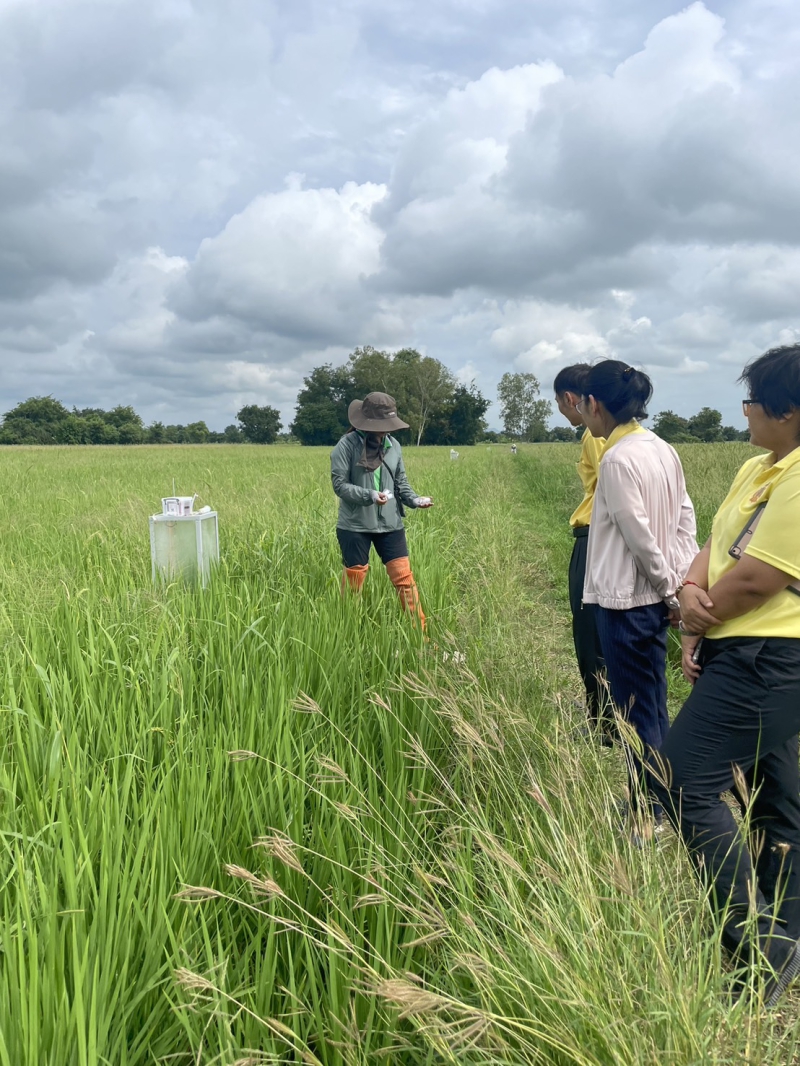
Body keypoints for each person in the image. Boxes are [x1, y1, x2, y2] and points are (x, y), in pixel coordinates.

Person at [653, 344, 800, 1004]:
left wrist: (695, 622)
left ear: (787, 411)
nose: (743, 412)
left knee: (684, 782)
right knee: (782, 797)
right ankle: (784, 939)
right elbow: (718, 543)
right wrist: (688, 586)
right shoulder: (761, 467)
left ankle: (759, 948)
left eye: (750, 402)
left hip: (772, 657)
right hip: (740, 647)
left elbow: (762, 576)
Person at [580, 360, 697, 839]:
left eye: (584, 404)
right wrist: (682, 584)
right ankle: (659, 797)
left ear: (594, 403)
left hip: (626, 600)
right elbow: (684, 519)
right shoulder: (661, 448)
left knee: (634, 711)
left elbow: (638, 534)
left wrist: (670, 588)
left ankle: (648, 817)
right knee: (652, 702)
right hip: (655, 595)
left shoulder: (618, 457)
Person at [330, 391, 433, 630]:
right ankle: (347, 635)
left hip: (390, 525)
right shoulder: (346, 446)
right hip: (355, 525)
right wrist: (369, 496)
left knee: (405, 581)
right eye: (381, 425)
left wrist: (414, 500)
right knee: (354, 583)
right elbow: (340, 485)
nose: (386, 431)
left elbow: (401, 481)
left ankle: (421, 636)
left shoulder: (393, 446)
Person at [553, 363, 612, 744]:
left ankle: (603, 724)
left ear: (571, 399)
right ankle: (607, 716)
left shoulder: (595, 436)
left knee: (590, 632)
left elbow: (611, 488)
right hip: (601, 538)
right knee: (602, 632)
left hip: (594, 539)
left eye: (558, 401)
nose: (560, 408)